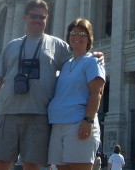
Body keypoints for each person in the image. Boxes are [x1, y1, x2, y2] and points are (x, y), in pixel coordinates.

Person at [0, 0, 104, 170]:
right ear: (25, 17)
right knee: (0, 162)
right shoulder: (12, 45)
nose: (38, 20)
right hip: (8, 112)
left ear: (47, 19)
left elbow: (79, 57)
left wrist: (95, 55)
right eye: (34, 16)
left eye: (42, 17)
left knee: (32, 164)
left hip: (39, 115)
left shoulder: (57, 45)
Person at [47, 18, 105, 170]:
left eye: (82, 33)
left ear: (89, 38)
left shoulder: (93, 61)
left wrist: (88, 120)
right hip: (58, 124)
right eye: (73, 33)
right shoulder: (66, 64)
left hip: (79, 123)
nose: (77, 36)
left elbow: (96, 92)